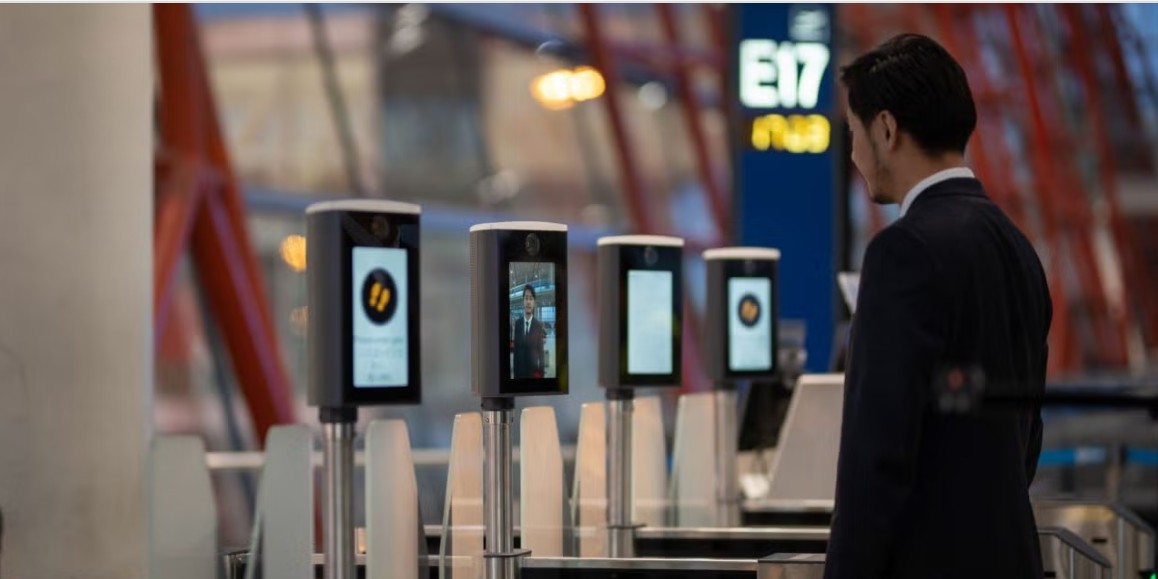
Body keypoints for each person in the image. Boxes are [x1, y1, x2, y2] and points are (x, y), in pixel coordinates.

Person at [825, 34, 1052, 579]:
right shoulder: (1017, 247)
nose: (854, 153)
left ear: (886, 128)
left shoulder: (903, 250)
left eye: (853, 132)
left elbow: (876, 457)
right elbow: (1027, 436)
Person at [512, 284, 546, 379]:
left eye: (531, 298)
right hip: (520, 376)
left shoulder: (538, 326)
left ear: (534, 302)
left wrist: (541, 375)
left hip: (533, 375)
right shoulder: (518, 324)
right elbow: (516, 353)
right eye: (526, 298)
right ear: (523, 301)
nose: (528, 302)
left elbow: (541, 354)